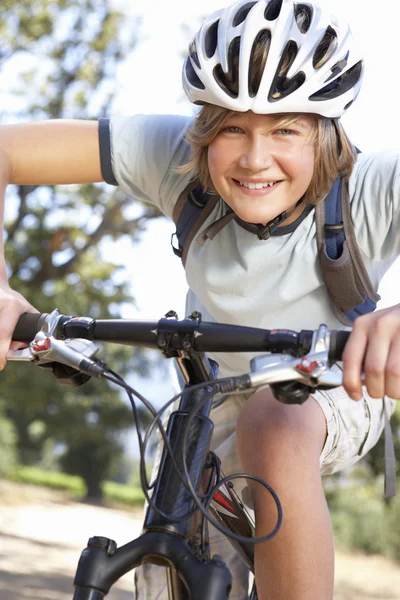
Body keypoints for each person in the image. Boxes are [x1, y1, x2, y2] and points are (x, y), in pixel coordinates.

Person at [0, 0, 399, 598]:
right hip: (208, 391)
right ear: (205, 130)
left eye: (286, 128)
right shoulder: (178, 158)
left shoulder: (372, 186)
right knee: (167, 563)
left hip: (334, 386)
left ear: (326, 130)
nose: (254, 158)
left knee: (275, 421)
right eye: (232, 128)